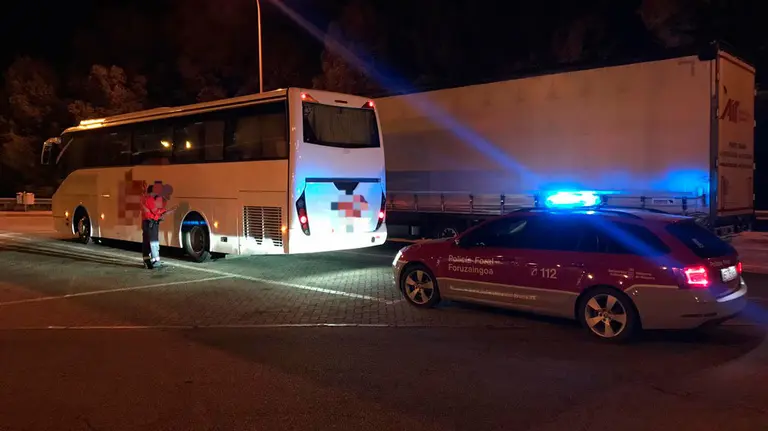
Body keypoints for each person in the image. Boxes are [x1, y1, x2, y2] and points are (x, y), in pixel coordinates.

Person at [140, 184, 168, 269]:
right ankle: (155, 261)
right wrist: (165, 211)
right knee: (153, 242)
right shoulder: (150, 199)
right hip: (151, 223)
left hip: (145, 222)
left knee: (146, 242)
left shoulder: (144, 199)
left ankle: (147, 261)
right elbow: (155, 212)